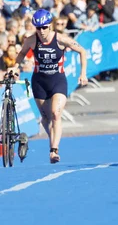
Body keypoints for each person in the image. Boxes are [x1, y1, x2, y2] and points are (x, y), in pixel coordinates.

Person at [15, 9, 88, 163]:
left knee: (55, 113)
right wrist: (15, 67)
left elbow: (82, 51)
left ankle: (54, 150)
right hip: (39, 82)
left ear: (50, 26)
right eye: (38, 28)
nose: (41, 31)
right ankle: (54, 141)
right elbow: (21, 54)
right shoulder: (31, 40)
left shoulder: (61, 39)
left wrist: (83, 73)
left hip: (57, 80)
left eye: (44, 27)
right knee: (46, 118)